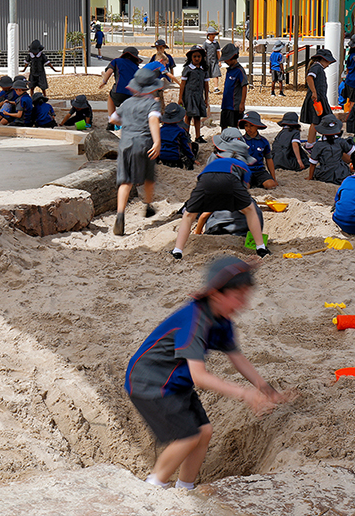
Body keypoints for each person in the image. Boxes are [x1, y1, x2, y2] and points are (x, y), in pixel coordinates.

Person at [125, 256, 293, 490]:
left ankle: (185, 489)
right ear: (216, 294)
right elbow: (200, 377)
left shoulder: (222, 320)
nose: (243, 303)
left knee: (204, 432)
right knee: (188, 436)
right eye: (238, 296)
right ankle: (152, 487)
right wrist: (244, 393)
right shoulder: (195, 321)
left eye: (246, 296)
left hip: (176, 382)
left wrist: (265, 389)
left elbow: (237, 358)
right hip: (150, 382)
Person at [171, 138, 270, 261]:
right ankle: (261, 248)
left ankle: (177, 251)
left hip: (205, 179)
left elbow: (201, 178)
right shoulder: (243, 165)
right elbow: (245, 188)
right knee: (250, 210)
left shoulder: (213, 162)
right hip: (229, 178)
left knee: (188, 215)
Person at [110, 68, 165, 236]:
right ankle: (147, 205)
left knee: (125, 181)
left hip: (125, 143)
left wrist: (126, 120)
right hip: (144, 143)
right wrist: (157, 141)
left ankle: (120, 214)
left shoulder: (127, 103)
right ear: (152, 88)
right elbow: (153, 120)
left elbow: (113, 119)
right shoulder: (153, 103)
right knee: (149, 177)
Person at [100, 46, 143, 130]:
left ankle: (111, 121)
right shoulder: (136, 67)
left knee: (110, 97)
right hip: (132, 94)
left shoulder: (116, 61)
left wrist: (104, 82)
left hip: (118, 91)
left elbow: (109, 72)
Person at [299, 47, 334, 142]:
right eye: (328, 62)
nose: (328, 65)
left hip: (320, 97)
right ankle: (310, 143)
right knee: (316, 121)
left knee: (318, 121)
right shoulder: (316, 67)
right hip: (316, 98)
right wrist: (314, 92)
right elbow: (309, 77)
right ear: (323, 60)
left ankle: (313, 141)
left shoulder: (318, 67)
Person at [306, 115, 354, 184]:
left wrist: (310, 177)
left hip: (324, 174)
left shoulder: (318, 145)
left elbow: (313, 163)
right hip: (341, 173)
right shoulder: (341, 142)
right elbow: (354, 153)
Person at [238, 111, 277, 189]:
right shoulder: (240, 141)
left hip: (260, 171)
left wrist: (273, 178)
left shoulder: (264, 141)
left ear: (257, 126)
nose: (248, 128)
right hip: (245, 171)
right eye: (246, 125)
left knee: (271, 185)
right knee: (244, 187)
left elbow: (268, 159)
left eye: (251, 125)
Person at [179, 45, 210, 143]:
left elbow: (206, 85)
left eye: (199, 56)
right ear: (190, 57)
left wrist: (206, 98)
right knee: (188, 116)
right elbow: (183, 84)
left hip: (199, 96)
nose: (197, 58)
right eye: (194, 56)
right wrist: (180, 98)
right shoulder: (187, 69)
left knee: (197, 116)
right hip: (189, 96)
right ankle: (186, 135)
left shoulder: (203, 70)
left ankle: (198, 136)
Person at [159, 102, 195, 169]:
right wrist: (192, 158)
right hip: (175, 157)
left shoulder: (159, 130)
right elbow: (186, 147)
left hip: (162, 156)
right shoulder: (180, 131)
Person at [219, 43, 247, 131]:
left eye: (226, 60)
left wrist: (242, 102)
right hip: (226, 104)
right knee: (224, 124)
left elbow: (244, 86)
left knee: (234, 125)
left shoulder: (239, 71)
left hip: (234, 105)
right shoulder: (229, 70)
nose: (225, 62)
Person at [203, 28, 222, 94]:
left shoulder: (216, 43)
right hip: (207, 61)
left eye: (214, 34)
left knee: (216, 74)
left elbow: (218, 53)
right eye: (212, 34)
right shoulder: (205, 43)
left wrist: (220, 61)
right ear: (208, 35)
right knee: (206, 75)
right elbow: (204, 53)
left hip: (215, 61)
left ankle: (216, 88)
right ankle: (206, 89)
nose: (213, 36)